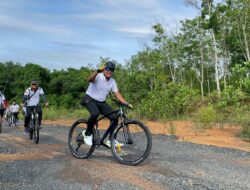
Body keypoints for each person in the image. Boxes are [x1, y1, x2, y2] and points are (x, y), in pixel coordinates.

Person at [80, 61, 131, 147]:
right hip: (89, 99)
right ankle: (87, 133)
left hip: (101, 102)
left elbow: (117, 94)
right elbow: (89, 79)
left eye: (111, 70)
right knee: (95, 113)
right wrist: (97, 70)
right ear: (103, 69)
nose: (109, 71)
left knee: (114, 117)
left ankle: (111, 140)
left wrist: (126, 103)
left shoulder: (112, 82)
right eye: (107, 69)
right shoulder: (98, 76)